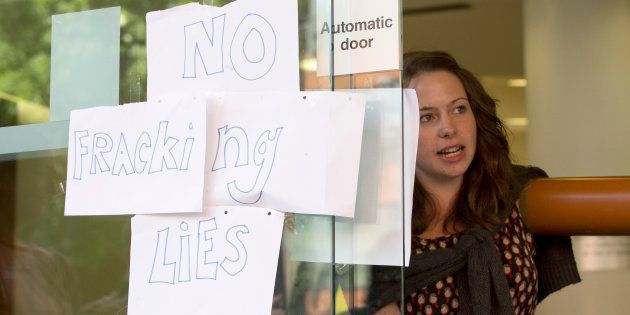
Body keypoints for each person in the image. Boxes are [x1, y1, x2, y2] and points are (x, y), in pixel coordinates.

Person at [369, 51, 581, 314]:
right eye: (427, 117)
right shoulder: (376, 225)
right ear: (397, 132)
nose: (449, 128)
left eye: (459, 109)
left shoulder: (514, 193)